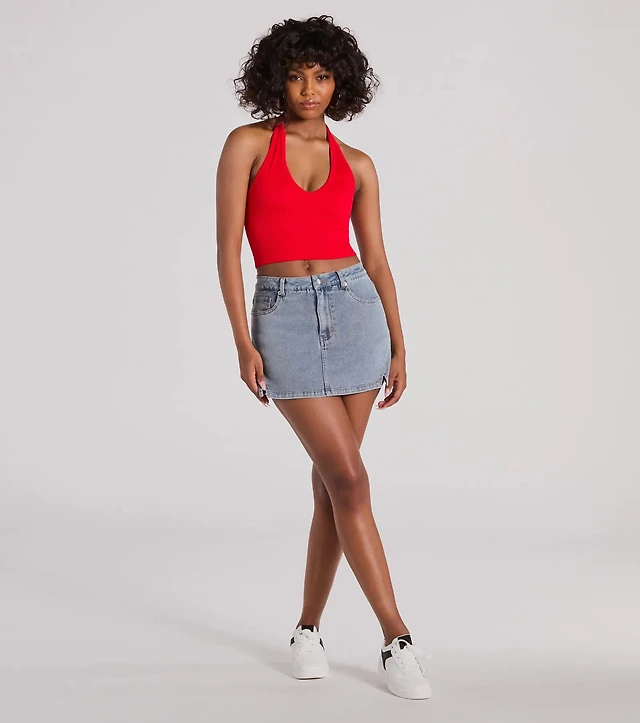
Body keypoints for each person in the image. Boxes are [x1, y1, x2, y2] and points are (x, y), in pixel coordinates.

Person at [216, 15, 432, 700]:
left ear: (341, 83)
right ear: (275, 80)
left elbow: (377, 260)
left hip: (356, 311)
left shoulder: (358, 163)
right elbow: (227, 249)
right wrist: (242, 340)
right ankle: (397, 636)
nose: (309, 88)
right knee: (350, 480)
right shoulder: (247, 144)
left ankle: (308, 629)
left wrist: (399, 342)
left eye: (322, 75)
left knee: (333, 486)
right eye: (296, 75)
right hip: (282, 318)